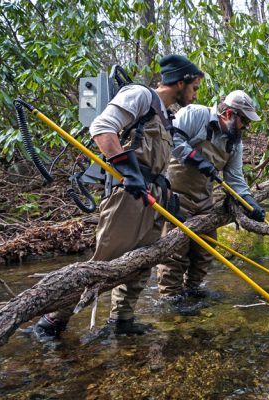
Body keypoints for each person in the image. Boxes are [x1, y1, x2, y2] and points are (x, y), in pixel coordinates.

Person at [33, 55, 204, 339]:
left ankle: (122, 319)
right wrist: (128, 170)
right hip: (129, 194)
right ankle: (52, 321)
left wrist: (169, 196)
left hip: (154, 196)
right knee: (105, 262)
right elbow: (101, 128)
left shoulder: (166, 116)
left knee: (142, 261)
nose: (195, 94)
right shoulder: (140, 95)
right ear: (180, 81)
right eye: (194, 87)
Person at [157, 90, 265, 302]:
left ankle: (193, 290)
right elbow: (170, 135)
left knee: (206, 249)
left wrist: (250, 203)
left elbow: (235, 178)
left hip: (204, 200)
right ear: (228, 113)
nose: (246, 126)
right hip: (174, 195)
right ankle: (170, 300)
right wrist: (194, 158)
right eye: (243, 120)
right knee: (176, 252)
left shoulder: (235, 143)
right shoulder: (195, 114)